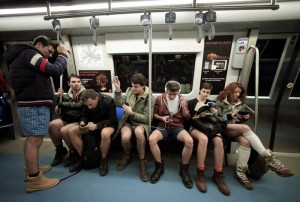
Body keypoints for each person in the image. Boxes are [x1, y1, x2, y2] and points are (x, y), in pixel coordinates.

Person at [4, 35, 68, 192]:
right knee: (35, 140)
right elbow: (55, 70)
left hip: (28, 103)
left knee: (30, 139)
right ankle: (34, 179)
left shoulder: (22, 56)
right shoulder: (31, 54)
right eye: (49, 50)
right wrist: (62, 55)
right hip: (34, 104)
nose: (50, 55)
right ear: (39, 44)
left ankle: (31, 169)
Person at [215, 82, 294, 190]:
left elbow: (240, 119)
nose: (237, 94)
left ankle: (240, 172)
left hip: (236, 128)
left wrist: (245, 118)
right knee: (246, 128)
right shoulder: (220, 101)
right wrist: (230, 115)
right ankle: (268, 157)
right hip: (224, 127)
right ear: (229, 91)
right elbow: (217, 118)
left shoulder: (241, 103)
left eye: (239, 92)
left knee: (246, 142)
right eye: (235, 92)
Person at [148, 80, 193, 188]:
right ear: (166, 91)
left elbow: (187, 117)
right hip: (163, 126)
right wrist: (161, 118)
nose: (172, 96)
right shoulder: (159, 98)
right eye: (170, 94)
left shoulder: (182, 99)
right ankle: (159, 166)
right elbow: (154, 114)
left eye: (175, 94)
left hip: (178, 127)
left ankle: (184, 169)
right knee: (152, 139)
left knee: (189, 141)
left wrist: (183, 106)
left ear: (178, 92)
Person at [187, 82, 229, 195]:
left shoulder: (211, 104)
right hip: (195, 127)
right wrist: (199, 116)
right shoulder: (191, 102)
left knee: (219, 141)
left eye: (208, 92)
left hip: (210, 127)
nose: (205, 94)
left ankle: (218, 173)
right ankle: (200, 172)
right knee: (204, 139)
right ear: (200, 90)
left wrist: (215, 113)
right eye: (204, 91)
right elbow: (188, 120)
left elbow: (219, 120)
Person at [113, 73, 154, 182]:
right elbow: (118, 104)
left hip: (141, 123)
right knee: (125, 137)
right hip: (128, 121)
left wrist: (132, 113)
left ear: (143, 86)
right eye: (132, 85)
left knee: (139, 133)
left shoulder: (150, 97)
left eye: (136, 86)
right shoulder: (129, 91)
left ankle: (142, 161)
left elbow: (147, 118)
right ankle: (127, 156)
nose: (133, 88)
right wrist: (118, 90)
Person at [67, 89, 118, 176]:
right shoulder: (86, 103)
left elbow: (112, 119)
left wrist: (97, 125)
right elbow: (84, 115)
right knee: (71, 131)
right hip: (91, 124)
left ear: (97, 98)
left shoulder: (108, 101)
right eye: (87, 105)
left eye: (91, 104)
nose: (89, 107)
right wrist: (82, 122)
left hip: (107, 124)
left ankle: (103, 160)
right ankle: (83, 158)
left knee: (105, 133)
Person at [49, 74, 86, 167]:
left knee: (63, 130)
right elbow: (63, 106)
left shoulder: (85, 93)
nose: (76, 84)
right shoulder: (68, 93)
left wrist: (61, 104)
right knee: (52, 125)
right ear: (68, 83)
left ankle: (74, 152)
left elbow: (78, 105)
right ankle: (60, 150)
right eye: (73, 82)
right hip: (67, 118)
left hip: (79, 119)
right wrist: (60, 97)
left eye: (78, 82)